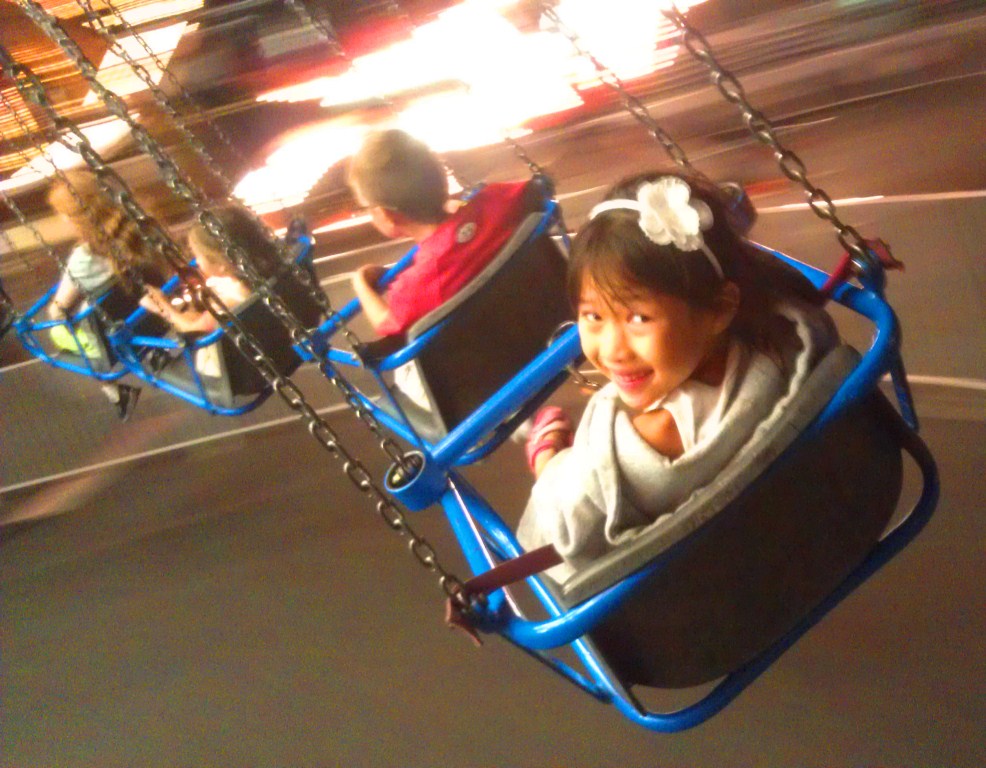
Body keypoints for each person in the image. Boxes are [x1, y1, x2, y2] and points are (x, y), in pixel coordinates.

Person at [516, 170, 838, 580]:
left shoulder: (657, 435)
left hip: (687, 583)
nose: (612, 350)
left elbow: (565, 524)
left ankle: (547, 451)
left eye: (638, 318)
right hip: (807, 529)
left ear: (720, 309)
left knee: (559, 471)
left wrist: (549, 464)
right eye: (593, 316)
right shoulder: (779, 343)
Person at [346, 128, 538, 405]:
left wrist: (362, 285)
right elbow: (535, 191)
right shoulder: (497, 201)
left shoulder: (417, 285)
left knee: (406, 371)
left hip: (488, 373)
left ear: (387, 214)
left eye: (366, 207)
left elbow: (387, 324)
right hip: (541, 327)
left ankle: (525, 420)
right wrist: (464, 210)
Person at [45, 171, 166, 420]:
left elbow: (58, 309)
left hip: (109, 335)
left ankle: (114, 391)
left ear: (75, 217)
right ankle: (153, 352)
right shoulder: (136, 231)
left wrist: (60, 310)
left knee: (57, 331)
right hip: (152, 316)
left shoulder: (84, 258)